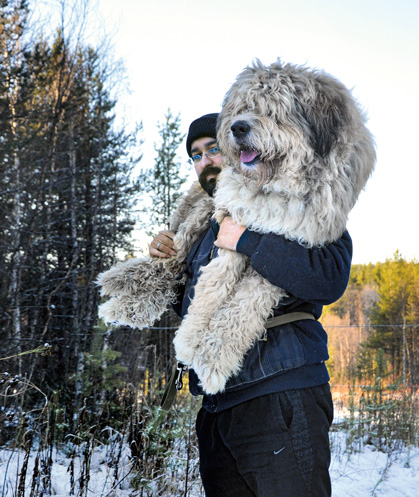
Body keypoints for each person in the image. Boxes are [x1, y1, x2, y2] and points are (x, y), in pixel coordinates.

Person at [149, 113, 352, 497]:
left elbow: (329, 276)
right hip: (217, 402)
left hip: (279, 393)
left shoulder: (297, 198)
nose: (205, 161)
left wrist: (247, 241)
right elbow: (194, 309)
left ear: (240, 150)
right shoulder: (202, 226)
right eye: (196, 155)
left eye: (213, 149)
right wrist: (169, 266)